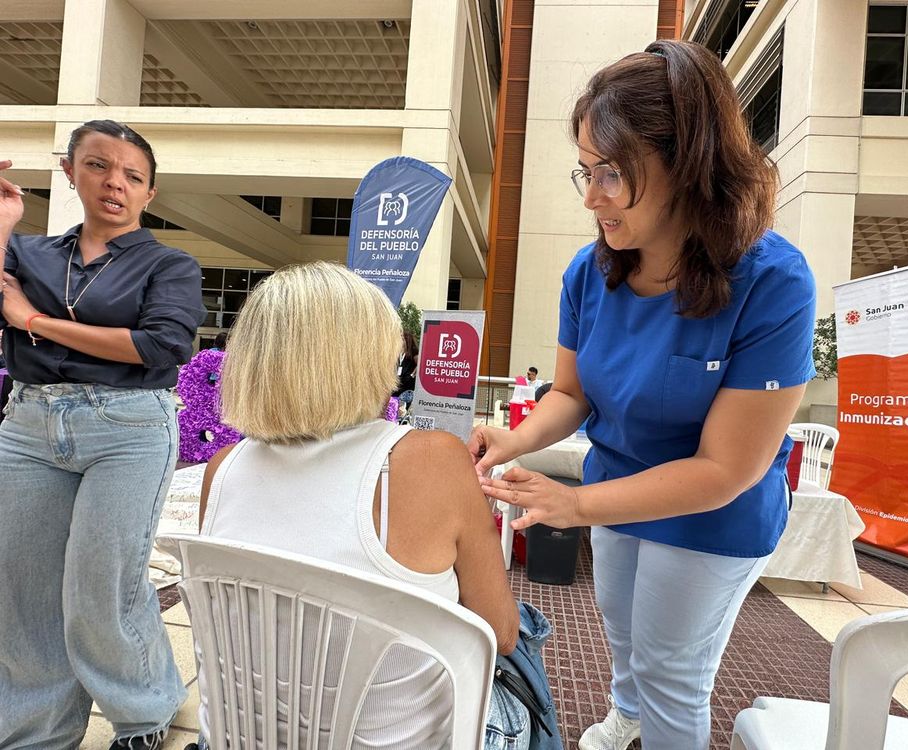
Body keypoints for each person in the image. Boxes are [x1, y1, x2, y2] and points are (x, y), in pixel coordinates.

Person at [470, 40, 816, 750]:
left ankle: (647, 717)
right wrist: (517, 438)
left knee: (671, 675)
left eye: (613, 173)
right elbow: (571, 392)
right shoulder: (590, 270)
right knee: (625, 634)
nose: (592, 195)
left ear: (688, 166)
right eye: (586, 171)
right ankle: (626, 715)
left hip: (711, 513)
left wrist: (575, 503)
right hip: (615, 486)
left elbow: (727, 469)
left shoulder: (773, 281)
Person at [196, 262, 557, 749]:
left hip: (247, 735)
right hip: (398, 739)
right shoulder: (429, 459)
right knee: (526, 630)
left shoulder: (223, 470)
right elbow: (499, 634)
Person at [0, 120, 206, 748]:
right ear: (69, 171)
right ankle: (35, 731)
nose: (114, 182)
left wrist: (30, 319)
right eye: (98, 165)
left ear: (149, 192)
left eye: (132, 176)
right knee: (23, 591)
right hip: (30, 425)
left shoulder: (169, 264)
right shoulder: (29, 253)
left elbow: (159, 345)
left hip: (129, 426)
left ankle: (144, 714)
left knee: (101, 586)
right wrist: (5, 221)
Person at [393, 330, 418, 397]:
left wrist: (411, 375)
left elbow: (420, 365)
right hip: (397, 387)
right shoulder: (397, 354)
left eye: (402, 338)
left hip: (407, 389)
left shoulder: (414, 354)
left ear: (407, 340)